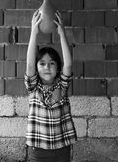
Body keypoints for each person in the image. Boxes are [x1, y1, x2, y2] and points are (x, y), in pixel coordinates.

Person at [24, 10, 77, 162]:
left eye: (51, 63)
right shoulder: (33, 87)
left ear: (58, 68)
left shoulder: (62, 87)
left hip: (62, 149)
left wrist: (62, 33)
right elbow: (29, 63)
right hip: (38, 150)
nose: (47, 67)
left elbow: (68, 64)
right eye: (42, 64)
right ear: (37, 67)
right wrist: (33, 32)